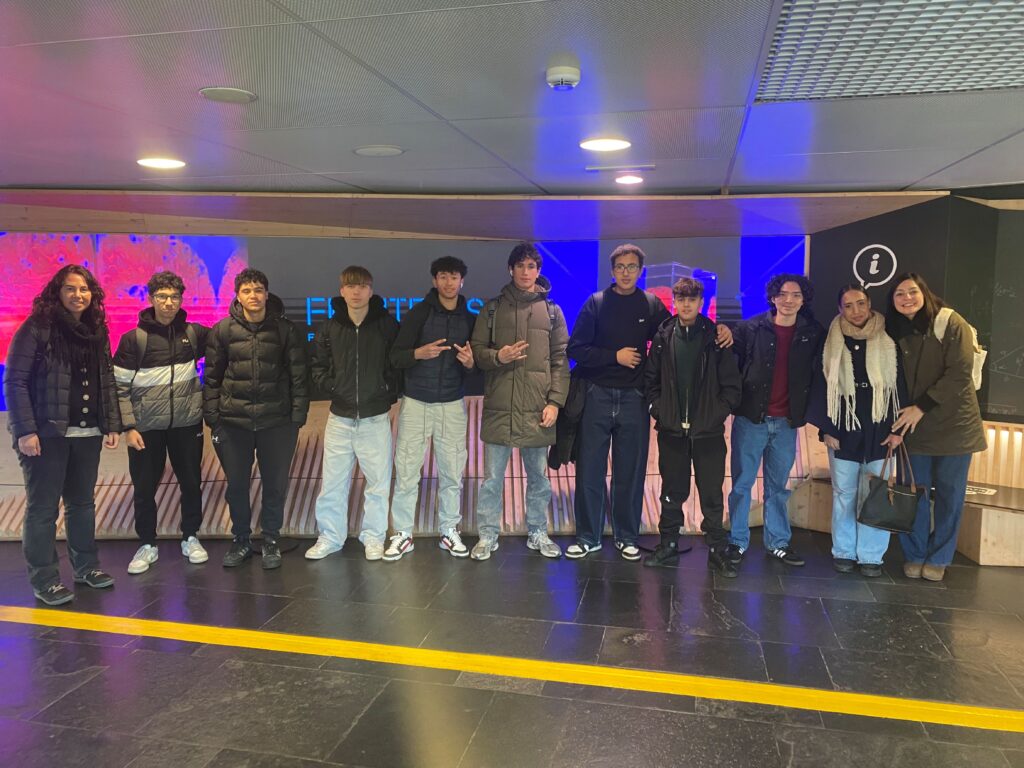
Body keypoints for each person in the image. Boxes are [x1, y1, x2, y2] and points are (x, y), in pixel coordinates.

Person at [4, 264, 122, 605]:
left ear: (92, 294)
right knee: (43, 509)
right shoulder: (37, 327)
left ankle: (86, 568)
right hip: (46, 435)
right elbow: (15, 381)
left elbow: (106, 380)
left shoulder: (97, 330)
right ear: (57, 292)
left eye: (84, 289)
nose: (78, 295)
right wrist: (25, 430)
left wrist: (111, 423)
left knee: (82, 504)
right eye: (70, 288)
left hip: (88, 433)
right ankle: (45, 580)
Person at [565, 244, 670, 560]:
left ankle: (626, 537)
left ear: (641, 271)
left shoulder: (650, 304)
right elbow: (576, 349)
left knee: (631, 472)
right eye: (620, 267)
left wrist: (717, 330)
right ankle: (588, 537)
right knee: (589, 470)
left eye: (632, 266)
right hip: (596, 394)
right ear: (612, 271)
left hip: (634, 398)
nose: (626, 272)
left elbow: (672, 337)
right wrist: (615, 357)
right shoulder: (596, 303)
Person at [203, 268, 309, 570]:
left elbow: (299, 377)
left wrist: (296, 418)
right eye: (247, 291)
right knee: (237, 486)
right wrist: (213, 418)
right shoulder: (222, 330)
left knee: (275, 485)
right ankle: (241, 540)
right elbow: (212, 378)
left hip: (277, 423)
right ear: (238, 296)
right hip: (233, 424)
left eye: (258, 290)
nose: (253, 296)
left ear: (266, 293)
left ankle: (271, 539)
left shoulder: (285, 330)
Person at [469, 242, 569, 560]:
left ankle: (537, 532)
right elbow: (476, 352)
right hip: (499, 408)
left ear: (538, 271)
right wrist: (498, 356)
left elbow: (560, 361)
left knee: (539, 479)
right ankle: (487, 535)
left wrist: (555, 402)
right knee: (491, 480)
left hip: (537, 410)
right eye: (520, 266)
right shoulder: (492, 309)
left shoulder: (552, 312)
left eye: (531, 266)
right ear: (510, 269)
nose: (526, 272)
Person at [887, 272, 986, 582]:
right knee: (913, 493)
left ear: (924, 293)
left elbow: (960, 372)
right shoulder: (893, 329)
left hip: (955, 426)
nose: (906, 298)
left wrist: (921, 407)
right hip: (914, 427)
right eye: (899, 294)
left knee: (949, 496)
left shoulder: (950, 322)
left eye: (912, 291)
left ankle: (940, 557)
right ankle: (915, 553)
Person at [113, 271, 210, 574]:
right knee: (144, 488)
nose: (169, 303)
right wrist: (128, 427)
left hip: (186, 424)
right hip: (145, 429)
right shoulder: (134, 340)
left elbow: (227, 342)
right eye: (162, 296)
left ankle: (190, 537)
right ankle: (147, 544)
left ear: (181, 299)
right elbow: (119, 387)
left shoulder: (194, 333)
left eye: (174, 297)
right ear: (151, 298)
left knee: (191, 483)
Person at [643, 278, 741, 574]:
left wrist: (716, 415)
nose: (686, 304)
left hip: (708, 432)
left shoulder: (716, 338)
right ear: (674, 302)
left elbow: (732, 386)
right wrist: (659, 410)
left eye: (692, 299)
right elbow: (651, 381)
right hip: (672, 431)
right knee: (672, 491)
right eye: (681, 299)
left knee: (711, 493)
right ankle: (668, 544)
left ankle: (717, 549)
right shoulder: (663, 337)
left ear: (701, 303)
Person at [808, 284, 905, 577]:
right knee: (844, 493)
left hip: (881, 427)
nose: (856, 311)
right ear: (840, 309)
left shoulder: (889, 339)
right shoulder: (830, 342)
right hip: (842, 428)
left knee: (876, 493)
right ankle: (844, 552)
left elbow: (900, 387)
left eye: (860, 303)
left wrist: (899, 430)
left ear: (869, 304)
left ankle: (871, 556)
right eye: (848, 305)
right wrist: (826, 429)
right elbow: (819, 386)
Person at [728, 273, 825, 567]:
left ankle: (778, 543)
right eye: (782, 294)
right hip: (751, 419)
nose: (788, 300)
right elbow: (731, 365)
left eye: (796, 295)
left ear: (804, 300)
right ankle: (737, 542)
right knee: (742, 484)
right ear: (772, 297)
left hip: (786, 423)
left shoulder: (813, 333)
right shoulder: (750, 328)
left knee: (778, 487)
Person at [305, 266, 400, 562]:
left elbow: (397, 364)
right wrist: (333, 387)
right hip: (340, 418)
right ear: (342, 290)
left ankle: (373, 537)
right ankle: (330, 537)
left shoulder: (387, 325)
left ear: (371, 290)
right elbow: (317, 366)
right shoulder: (330, 327)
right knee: (332, 483)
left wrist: (386, 390)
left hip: (375, 417)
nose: (356, 291)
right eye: (350, 286)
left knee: (378, 484)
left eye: (362, 286)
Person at [387, 257, 475, 560]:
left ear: (462, 281)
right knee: (407, 470)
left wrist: (471, 363)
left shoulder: (470, 319)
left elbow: (478, 367)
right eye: (443, 277)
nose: (449, 283)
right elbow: (396, 357)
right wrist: (417, 353)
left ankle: (449, 530)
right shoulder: (418, 314)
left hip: (452, 403)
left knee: (452, 472)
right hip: (416, 402)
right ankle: (402, 533)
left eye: (454, 277)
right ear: (434, 280)